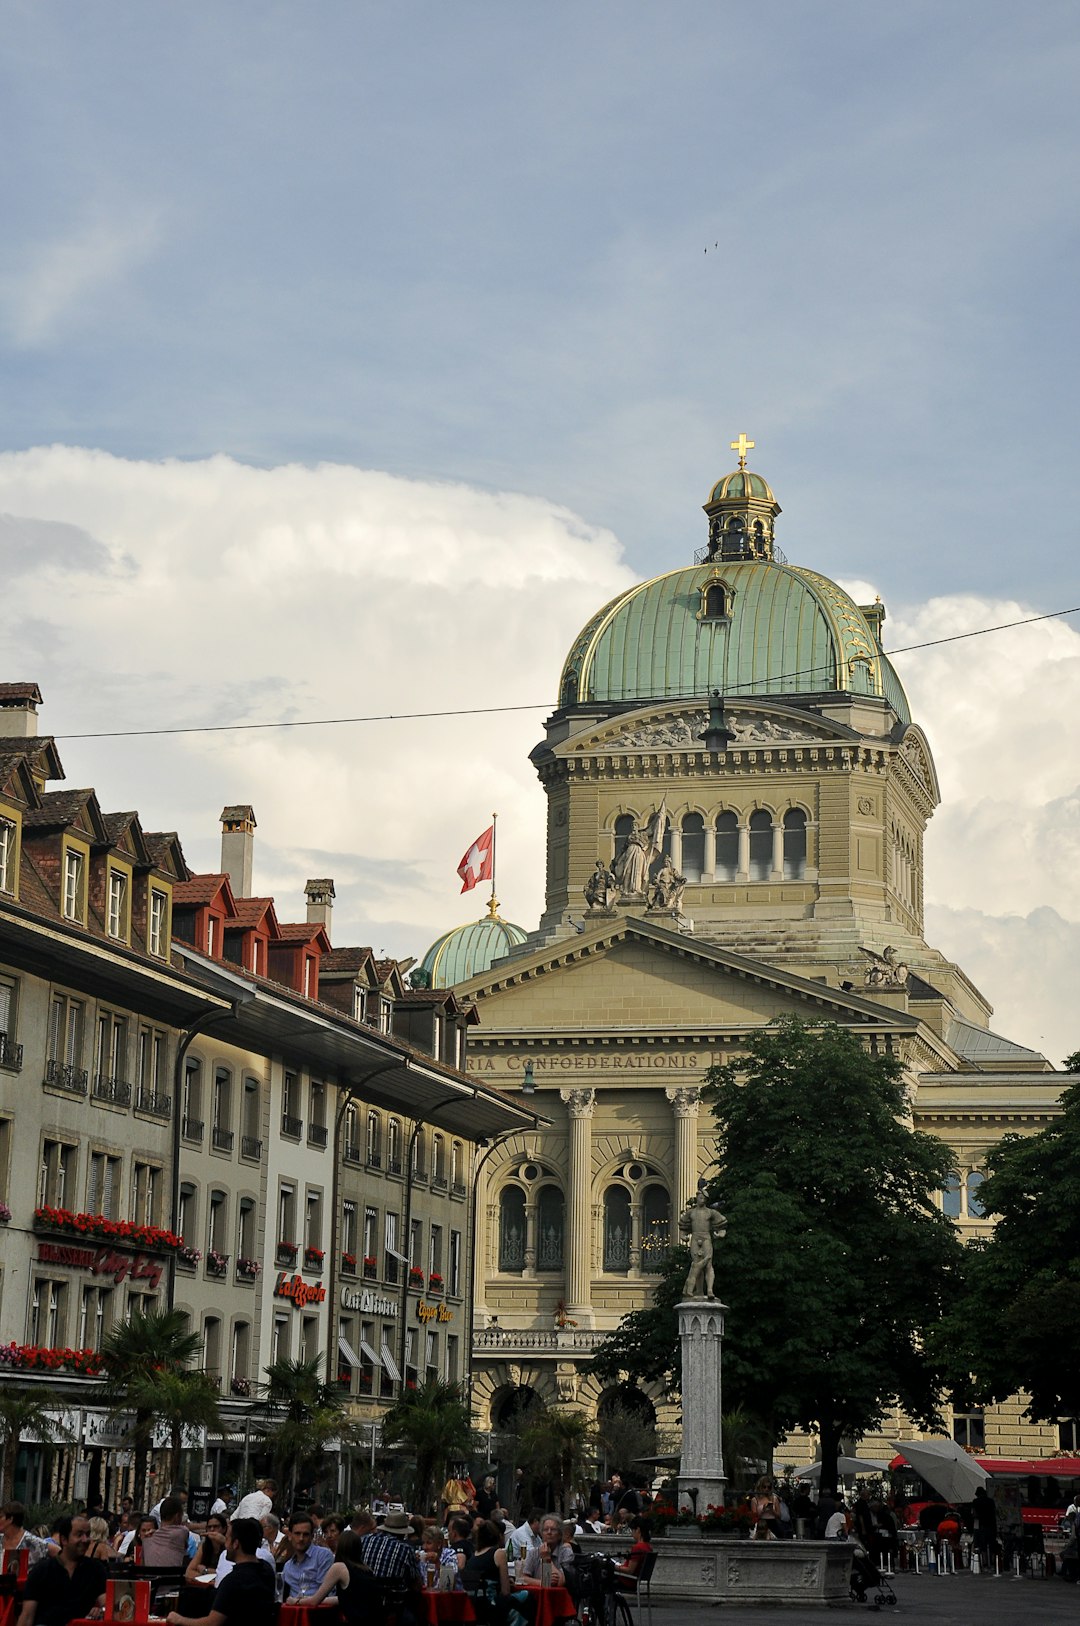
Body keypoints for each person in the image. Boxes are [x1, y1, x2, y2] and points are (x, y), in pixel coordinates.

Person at [167, 1518, 275, 1626]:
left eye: (227, 1539)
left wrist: (179, 1619)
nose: (225, 1544)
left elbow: (212, 1623)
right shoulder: (267, 1570)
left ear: (236, 1544)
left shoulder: (233, 1581)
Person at [17, 1514, 107, 1626]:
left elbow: (107, 1603)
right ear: (64, 1539)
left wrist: (101, 1610)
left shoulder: (96, 1570)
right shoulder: (41, 1571)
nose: (85, 1540)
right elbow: (27, 1616)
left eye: (87, 1534)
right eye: (79, 1535)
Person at [307, 1530, 380, 1622]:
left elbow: (314, 1601)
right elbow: (345, 1599)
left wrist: (296, 1601)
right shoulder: (367, 1570)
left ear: (340, 1546)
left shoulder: (339, 1568)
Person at [680, 1189, 727, 1298]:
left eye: (704, 1198)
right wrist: (683, 1236)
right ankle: (698, 1291)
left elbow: (722, 1226)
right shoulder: (691, 1213)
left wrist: (720, 1234)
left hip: (706, 1237)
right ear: (697, 1198)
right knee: (696, 1264)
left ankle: (710, 1290)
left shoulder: (711, 1212)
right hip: (695, 1238)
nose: (702, 1200)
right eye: (700, 1198)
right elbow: (683, 1226)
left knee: (708, 1264)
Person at [281, 1510, 335, 1599]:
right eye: (297, 1534)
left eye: (305, 1534)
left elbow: (326, 1593)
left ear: (312, 1536)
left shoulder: (323, 1556)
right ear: (290, 1535)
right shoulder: (288, 1567)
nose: (301, 1538)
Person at [140, 1497, 193, 1567]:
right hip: (172, 1577)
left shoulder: (147, 1537)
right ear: (177, 1516)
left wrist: (156, 1532)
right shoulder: (182, 1532)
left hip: (150, 1576)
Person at [185, 1515, 228, 1584]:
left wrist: (206, 1571)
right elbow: (189, 1572)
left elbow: (228, 1574)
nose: (212, 1529)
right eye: (209, 1527)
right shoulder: (204, 1546)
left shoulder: (228, 1547)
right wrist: (207, 1578)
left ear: (224, 1529)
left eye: (216, 1526)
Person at [522, 1516, 565, 1584]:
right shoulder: (534, 1553)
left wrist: (547, 1558)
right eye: (545, 1530)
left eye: (553, 1529)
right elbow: (523, 1578)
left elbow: (560, 1582)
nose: (549, 1532)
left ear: (559, 1534)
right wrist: (542, 1583)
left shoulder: (566, 1552)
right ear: (541, 1534)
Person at [614, 1517, 652, 1590]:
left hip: (626, 1581)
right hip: (633, 1580)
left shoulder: (637, 1548)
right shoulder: (648, 1547)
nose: (632, 1533)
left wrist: (614, 1567)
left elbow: (630, 1570)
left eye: (632, 1530)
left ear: (638, 1530)